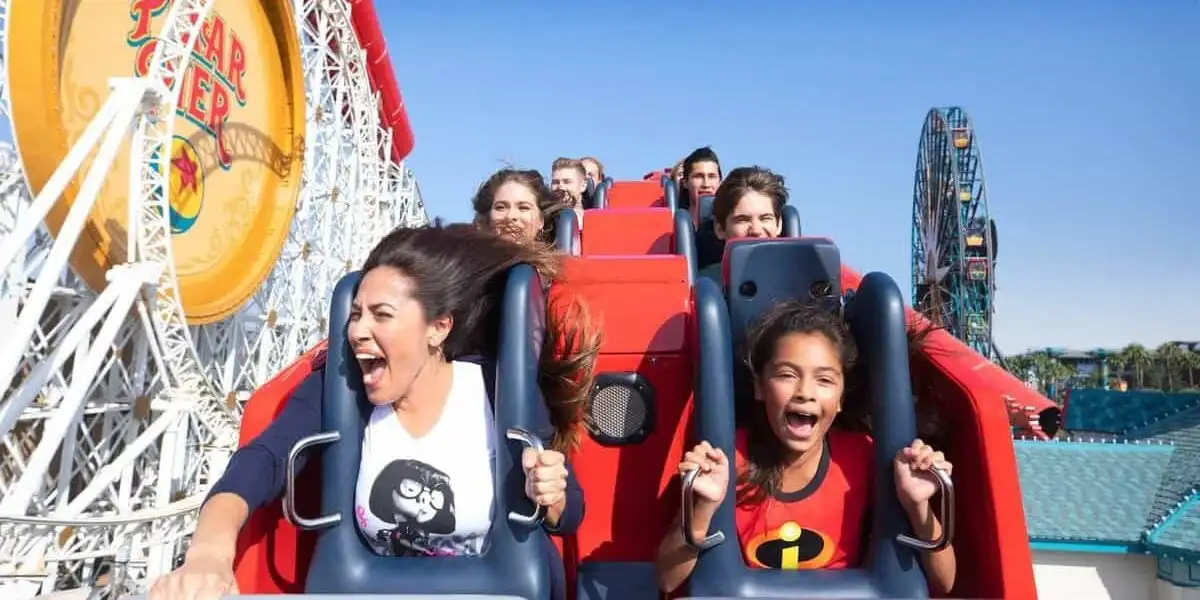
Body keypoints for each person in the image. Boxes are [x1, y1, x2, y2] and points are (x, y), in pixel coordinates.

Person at [151, 224, 602, 599]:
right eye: (355, 314)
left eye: (381, 315)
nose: (359, 331)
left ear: (438, 328)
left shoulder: (496, 390)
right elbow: (261, 461)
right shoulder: (345, 392)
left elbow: (572, 512)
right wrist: (208, 552)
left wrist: (552, 493)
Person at [654, 300, 956, 595]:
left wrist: (918, 507)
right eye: (787, 374)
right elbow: (667, 579)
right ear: (759, 386)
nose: (805, 393)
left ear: (840, 398)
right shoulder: (728, 460)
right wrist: (704, 508)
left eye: (824, 380)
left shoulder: (864, 457)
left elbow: (944, 582)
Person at [697, 166, 786, 284]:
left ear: (779, 224)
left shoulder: (802, 279)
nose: (756, 230)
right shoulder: (702, 285)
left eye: (765, 218)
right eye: (743, 220)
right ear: (720, 229)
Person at [472, 168, 565, 245]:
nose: (511, 216)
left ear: (541, 220)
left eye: (523, 208)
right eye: (500, 207)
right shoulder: (466, 265)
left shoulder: (563, 266)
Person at [550, 158, 587, 227]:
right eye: (555, 182)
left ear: (583, 186)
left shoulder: (592, 219)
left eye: (567, 182)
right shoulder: (543, 220)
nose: (560, 186)